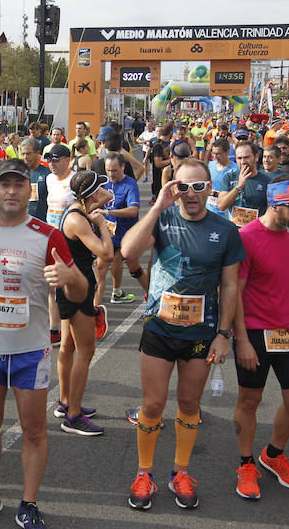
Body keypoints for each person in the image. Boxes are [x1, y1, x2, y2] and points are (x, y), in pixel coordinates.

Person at [0, 159, 86, 529]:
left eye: (19, 184)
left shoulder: (48, 235)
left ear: (31, 190)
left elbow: (79, 290)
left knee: (33, 431)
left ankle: (28, 503)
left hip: (31, 352)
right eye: (5, 184)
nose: (12, 191)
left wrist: (69, 276)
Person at [122, 158, 244, 511]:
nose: (190, 194)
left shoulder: (225, 230)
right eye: (183, 186)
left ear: (210, 189)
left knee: (190, 404)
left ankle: (180, 471)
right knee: (153, 404)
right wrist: (158, 205)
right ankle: (144, 473)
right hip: (159, 327)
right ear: (173, 187)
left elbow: (231, 285)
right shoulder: (162, 217)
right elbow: (128, 251)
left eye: (198, 186)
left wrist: (224, 334)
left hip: (201, 332)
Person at [233, 177, 289, 500]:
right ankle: (245, 463)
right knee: (249, 401)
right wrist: (240, 339)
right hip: (254, 331)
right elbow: (234, 293)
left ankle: (273, 454)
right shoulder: (247, 236)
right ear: (275, 205)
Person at [56, 171, 114, 437]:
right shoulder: (79, 220)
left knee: (67, 346)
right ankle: (73, 415)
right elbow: (106, 254)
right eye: (101, 188)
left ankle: (65, 401)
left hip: (70, 283)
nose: (107, 190)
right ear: (90, 194)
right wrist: (102, 224)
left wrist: (97, 204)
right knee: (86, 351)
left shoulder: (77, 210)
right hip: (77, 288)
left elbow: (109, 195)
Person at [100, 152, 146, 305]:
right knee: (101, 266)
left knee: (133, 267)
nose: (111, 174)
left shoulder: (130, 184)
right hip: (108, 230)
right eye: (108, 170)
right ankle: (99, 303)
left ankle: (152, 295)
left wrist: (108, 212)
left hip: (126, 232)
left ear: (123, 167)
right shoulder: (104, 182)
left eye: (114, 170)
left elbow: (133, 210)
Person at [217, 141, 272, 227]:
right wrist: (238, 187)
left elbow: (271, 213)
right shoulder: (229, 177)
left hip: (256, 233)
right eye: (239, 158)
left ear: (256, 157)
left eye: (246, 157)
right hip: (234, 232)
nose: (243, 161)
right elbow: (221, 206)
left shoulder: (267, 181)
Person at [20, 138, 49, 222]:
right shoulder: (18, 174)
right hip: (22, 225)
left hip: (41, 224)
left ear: (38, 153)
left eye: (28, 154)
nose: (25, 157)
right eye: (23, 154)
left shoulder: (47, 174)